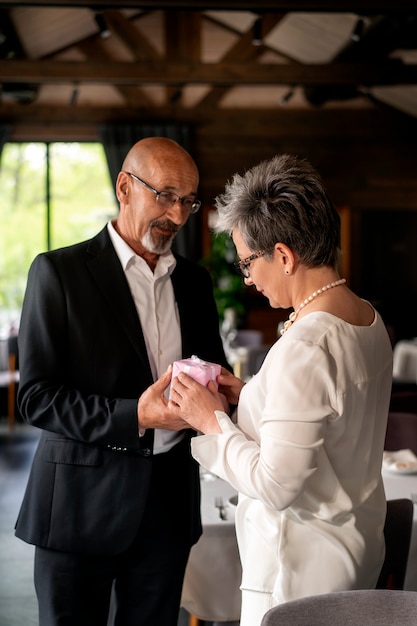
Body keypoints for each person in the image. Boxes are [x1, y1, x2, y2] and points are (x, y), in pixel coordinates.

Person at [168, 154, 393, 626]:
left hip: (300, 573)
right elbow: (331, 413)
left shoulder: (307, 344)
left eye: (248, 262)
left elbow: (276, 485)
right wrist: (251, 394)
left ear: (285, 256)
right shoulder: (368, 318)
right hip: (353, 547)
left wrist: (212, 421)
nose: (247, 278)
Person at [14, 136, 230, 626]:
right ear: (124, 186)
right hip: (78, 506)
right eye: (166, 195)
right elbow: (36, 397)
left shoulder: (194, 284)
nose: (177, 216)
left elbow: (211, 371)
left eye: (188, 202)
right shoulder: (58, 273)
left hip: (168, 509)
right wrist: (134, 415)